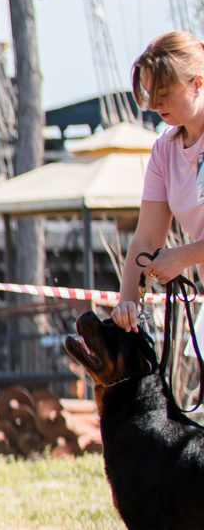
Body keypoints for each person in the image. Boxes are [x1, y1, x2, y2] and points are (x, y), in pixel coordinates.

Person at [111, 31, 204, 335]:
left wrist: (183, 256)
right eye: (150, 92)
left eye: (164, 91)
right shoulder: (164, 148)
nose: (154, 103)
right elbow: (147, 239)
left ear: (198, 84)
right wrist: (127, 302)